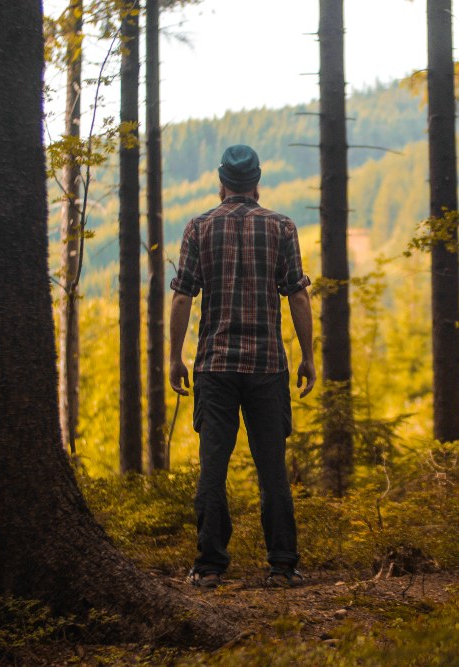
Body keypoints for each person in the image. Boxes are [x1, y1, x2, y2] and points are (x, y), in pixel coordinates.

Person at [169, 144, 316, 589]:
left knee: (213, 465)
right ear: (256, 182)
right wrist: (308, 356)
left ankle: (210, 565)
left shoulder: (198, 228)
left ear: (221, 183)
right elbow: (297, 294)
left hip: (213, 365)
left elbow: (181, 296)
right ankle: (282, 565)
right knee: (272, 466)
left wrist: (174, 357)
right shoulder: (282, 227)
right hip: (268, 366)